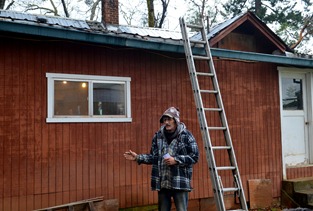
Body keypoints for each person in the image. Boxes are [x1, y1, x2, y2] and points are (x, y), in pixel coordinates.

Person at [124, 107, 199, 211]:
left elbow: (194, 156)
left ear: (176, 120)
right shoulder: (158, 136)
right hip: (163, 182)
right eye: (164, 120)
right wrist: (138, 157)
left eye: (169, 119)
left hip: (180, 182)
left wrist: (176, 160)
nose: (166, 122)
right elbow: (154, 158)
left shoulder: (186, 136)